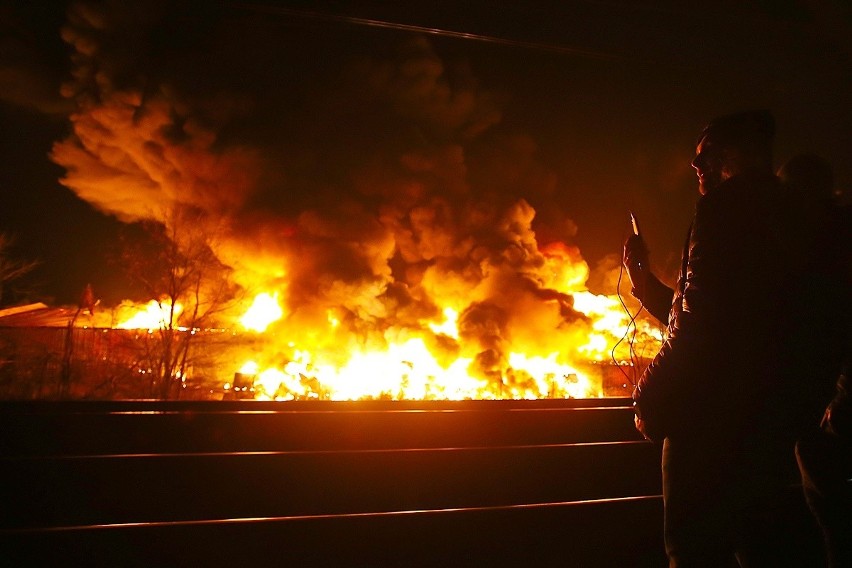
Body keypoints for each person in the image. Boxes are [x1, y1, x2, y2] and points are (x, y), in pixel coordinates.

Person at [623, 110, 836, 566]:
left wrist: (650, 394)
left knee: (693, 545)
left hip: (708, 416)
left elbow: (700, 326)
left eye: (705, 158)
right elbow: (714, 312)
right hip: (765, 415)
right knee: (757, 540)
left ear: (734, 156)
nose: (696, 169)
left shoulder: (724, 211)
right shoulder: (787, 214)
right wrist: (642, 281)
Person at [778, 153, 852, 568]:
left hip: (833, 418)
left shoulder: (830, 246)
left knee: (833, 518)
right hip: (824, 412)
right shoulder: (823, 241)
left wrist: (839, 407)